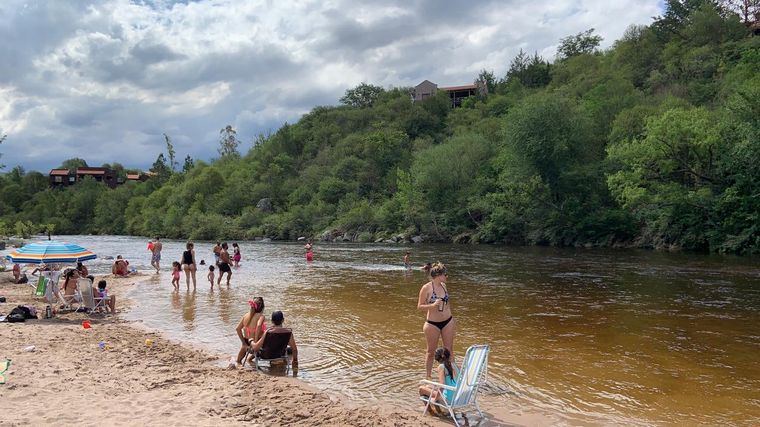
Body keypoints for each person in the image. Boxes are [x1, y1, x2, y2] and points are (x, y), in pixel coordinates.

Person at [417, 262, 455, 378]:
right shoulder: (426, 288)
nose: (447, 276)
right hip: (432, 324)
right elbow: (419, 306)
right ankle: (428, 377)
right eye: (445, 274)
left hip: (448, 321)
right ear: (439, 275)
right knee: (430, 352)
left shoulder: (444, 285)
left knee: (449, 351)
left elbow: (446, 304)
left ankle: (453, 377)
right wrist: (432, 306)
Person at [235, 297, 266, 365]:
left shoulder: (246, 315)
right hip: (256, 344)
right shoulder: (261, 316)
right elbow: (258, 326)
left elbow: (238, 329)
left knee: (239, 360)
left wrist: (243, 343)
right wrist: (255, 340)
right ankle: (250, 359)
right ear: (262, 308)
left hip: (246, 343)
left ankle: (240, 362)